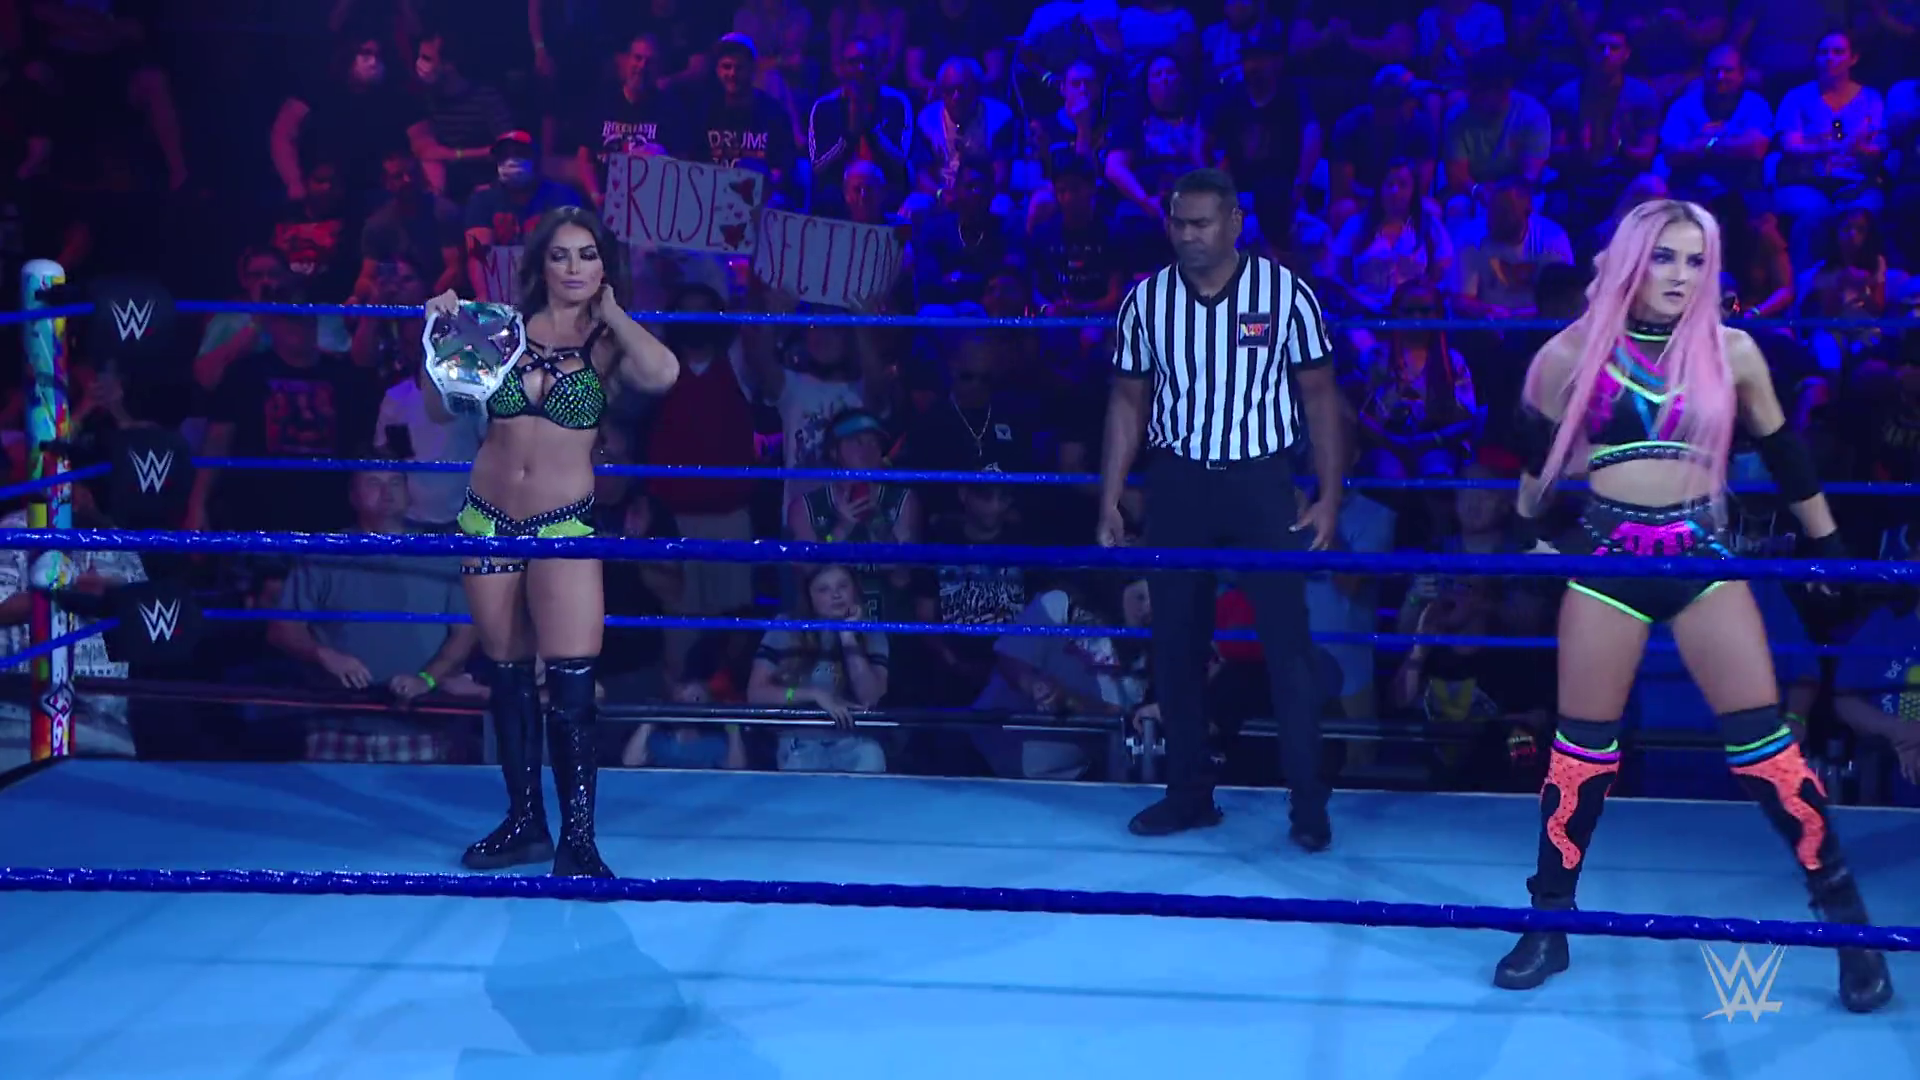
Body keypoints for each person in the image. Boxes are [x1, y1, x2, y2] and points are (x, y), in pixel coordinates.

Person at [1494, 199, 1893, 1013]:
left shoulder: (1732, 350)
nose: (1680, 275)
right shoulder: (1570, 351)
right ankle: (1548, 921)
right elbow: (1534, 467)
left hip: (1700, 556)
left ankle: (1848, 926)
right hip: (1607, 556)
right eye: (1664, 257)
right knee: (1580, 753)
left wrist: (1828, 545)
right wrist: (1527, 532)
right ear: (1631, 260)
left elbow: (1785, 455)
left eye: (1696, 260)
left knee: (1767, 751)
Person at [1095, 167, 1349, 851]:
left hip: (1261, 480)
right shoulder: (1146, 301)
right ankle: (1188, 794)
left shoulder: (1284, 293)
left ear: (1234, 223)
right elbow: (1127, 401)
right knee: (1176, 642)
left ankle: (1308, 801)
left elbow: (1320, 396)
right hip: (1178, 481)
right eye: (1178, 222)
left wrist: (1329, 496)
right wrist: (1110, 496)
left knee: (1287, 644)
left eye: (1202, 223)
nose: (1188, 235)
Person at [423, 205, 680, 879]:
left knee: (571, 683)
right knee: (508, 676)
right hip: (487, 519)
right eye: (561, 254)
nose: (573, 267)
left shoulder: (611, 343)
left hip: (562, 523)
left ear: (605, 265)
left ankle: (580, 841)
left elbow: (664, 373)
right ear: (540, 262)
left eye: (587, 255)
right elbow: (437, 405)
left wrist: (614, 311)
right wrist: (441, 333)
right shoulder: (500, 328)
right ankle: (524, 823)